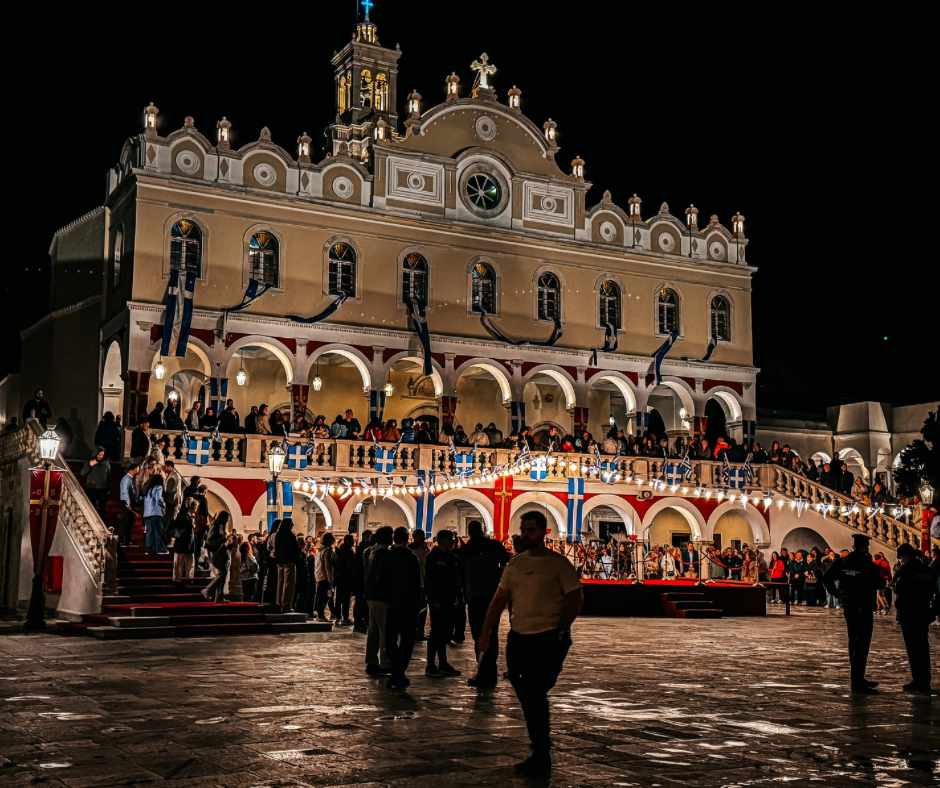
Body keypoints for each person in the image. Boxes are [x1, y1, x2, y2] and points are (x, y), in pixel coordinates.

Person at [479, 511, 582, 776]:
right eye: (523, 530)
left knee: (535, 691)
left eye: (531, 530)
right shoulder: (515, 564)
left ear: (543, 532)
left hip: (548, 636)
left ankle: (541, 751)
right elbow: (499, 599)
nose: (525, 535)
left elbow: (575, 598)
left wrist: (561, 628)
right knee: (523, 687)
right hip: (519, 636)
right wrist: (486, 631)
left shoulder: (558, 564)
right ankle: (540, 748)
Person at [822, 533, 886, 693]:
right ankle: (857, 681)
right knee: (863, 643)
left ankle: (857, 678)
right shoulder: (867, 563)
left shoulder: (844, 561)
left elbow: (827, 578)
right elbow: (879, 582)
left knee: (854, 641)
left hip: (849, 604)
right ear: (865, 547)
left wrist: (837, 594)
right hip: (863, 605)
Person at [459, 520, 509, 688]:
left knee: (478, 634)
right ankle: (490, 670)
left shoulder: (466, 550)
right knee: (491, 633)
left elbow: (460, 573)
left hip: (475, 597)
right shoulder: (494, 546)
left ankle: (483, 669)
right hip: (492, 595)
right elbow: (505, 565)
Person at [377, 526, 422, 689]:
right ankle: (400, 670)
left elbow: (381, 580)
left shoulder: (388, 557)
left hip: (393, 602)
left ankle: (396, 669)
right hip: (409, 602)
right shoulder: (412, 557)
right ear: (406, 539)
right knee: (407, 638)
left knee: (390, 637)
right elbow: (417, 582)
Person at [892, 544, 934, 694]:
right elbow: (933, 589)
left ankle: (918, 680)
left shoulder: (906, 570)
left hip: (909, 611)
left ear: (905, 556)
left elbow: (900, 589)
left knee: (913, 647)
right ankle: (925, 680)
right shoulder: (927, 570)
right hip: (923, 610)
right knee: (923, 646)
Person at [424, 529, 463, 679]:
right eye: (450, 539)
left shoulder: (451, 557)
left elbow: (456, 579)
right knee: (436, 632)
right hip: (438, 600)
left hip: (449, 599)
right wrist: (434, 600)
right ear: (442, 540)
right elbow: (430, 581)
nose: (453, 541)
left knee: (445, 632)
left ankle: (443, 662)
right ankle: (431, 664)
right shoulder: (433, 557)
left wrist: (458, 596)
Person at [364, 526, 394, 675]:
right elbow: (383, 577)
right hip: (381, 596)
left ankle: (371, 661)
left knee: (374, 630)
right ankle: (385, 663)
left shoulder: (371, 552)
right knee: (384, 630)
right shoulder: (384, 554)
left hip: (371, 594)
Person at [274, 517, 302, 612]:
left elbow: (276, 548)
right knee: (289, 583)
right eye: (292, 523)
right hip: (289, 561)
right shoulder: (290, 535)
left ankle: (278, 603)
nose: (293, 525)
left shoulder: (278, 535)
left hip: (280, 561)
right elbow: (294, 549)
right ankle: (286, 604)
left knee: (280, 583)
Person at [202, 512, 231, 603]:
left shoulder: (220, 526)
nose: (227, 521)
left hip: (221, 552)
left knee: (223, 574)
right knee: (221, 575)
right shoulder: (215, 526)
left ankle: (219, 597)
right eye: (226, 519)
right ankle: (208, 590)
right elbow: (210, 541)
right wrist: (223, 540)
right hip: (215, 553)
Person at [169, 499, 196, 583]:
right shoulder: (184, 515)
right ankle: (186, 577)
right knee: (184, 561)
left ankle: (179, 578)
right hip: (184, 540)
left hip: (184, 541)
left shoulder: (185, 515)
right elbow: (181, 526)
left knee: (182, 561)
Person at [409, 530, 430, 641]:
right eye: (420, 537)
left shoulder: (424, 549)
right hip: (416, 583)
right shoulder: (412, 551)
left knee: (423, 608)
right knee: (417, 608)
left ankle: (420, 631)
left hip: (424, 582)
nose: (422, 539)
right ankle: (415, 631)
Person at [352, 529, 373, 632]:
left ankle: (362, 622)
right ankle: (359, 623)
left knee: (363, 602)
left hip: (361, 579)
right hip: (361, 580)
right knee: (360, 602)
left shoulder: (364, 548)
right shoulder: (363, 549)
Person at [141, 474, 167, 555]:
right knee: (158, 531)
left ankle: (149, 549)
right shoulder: (158, 487)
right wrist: (163, 504)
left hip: (147, 514)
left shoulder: (148, 489)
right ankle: (160, 549)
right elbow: (158, 498)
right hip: (155, 513)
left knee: (149, 532)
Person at [81, 447, 110, 516]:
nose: (101, 456)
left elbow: (108, 475)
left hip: (102, 489)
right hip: (91, 488)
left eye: (102, 455)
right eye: (99, 454)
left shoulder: (106, 462)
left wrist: (108, 488)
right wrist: (90, 465)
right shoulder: (89, 462)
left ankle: (102, 521)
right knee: (92, 507)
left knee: (102, 508)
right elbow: (82, 472)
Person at [314, 532, 337, 622]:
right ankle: (321, 615)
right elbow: (328, 566)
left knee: (322, 596)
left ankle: (321, 614)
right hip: (325, 576)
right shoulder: (327, 551)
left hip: (319, 575)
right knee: (324, 597)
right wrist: (331, 579)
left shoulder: (319, 550)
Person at [334, 533, 355, 625]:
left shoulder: (339, 550)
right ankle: (345, 617)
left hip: (339, 576)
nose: (354, 542)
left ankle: (338, 616)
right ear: (348, 541)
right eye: (352, 540)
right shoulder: (349, 551)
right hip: (346, 577)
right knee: (346, 598)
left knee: (338, 598)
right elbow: (351, 564)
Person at [118, 464, 140, 546]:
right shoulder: (126, 478)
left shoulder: (131, 479)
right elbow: (125, 491)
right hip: (127, 502)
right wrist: (128, 502)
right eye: (137, 469)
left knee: (130, 522)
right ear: (133, 469)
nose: (138, 470)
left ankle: (127, 539)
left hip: (131, 501)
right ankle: (121, 540)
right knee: (125, 521)